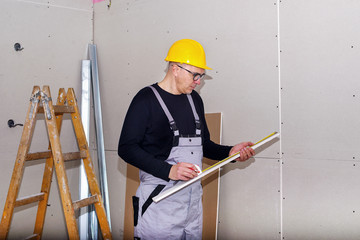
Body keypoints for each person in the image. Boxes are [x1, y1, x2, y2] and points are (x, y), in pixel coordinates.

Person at [118, 39, 255, 240]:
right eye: (195, 75)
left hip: (191, 206)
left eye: (201, 76)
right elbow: (127, 148)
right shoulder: (146, 99)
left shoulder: (194, 100)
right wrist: (169, 170)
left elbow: (204, 145)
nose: (198, 81)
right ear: (175, 69)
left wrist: (229, 153)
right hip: (159, 206)